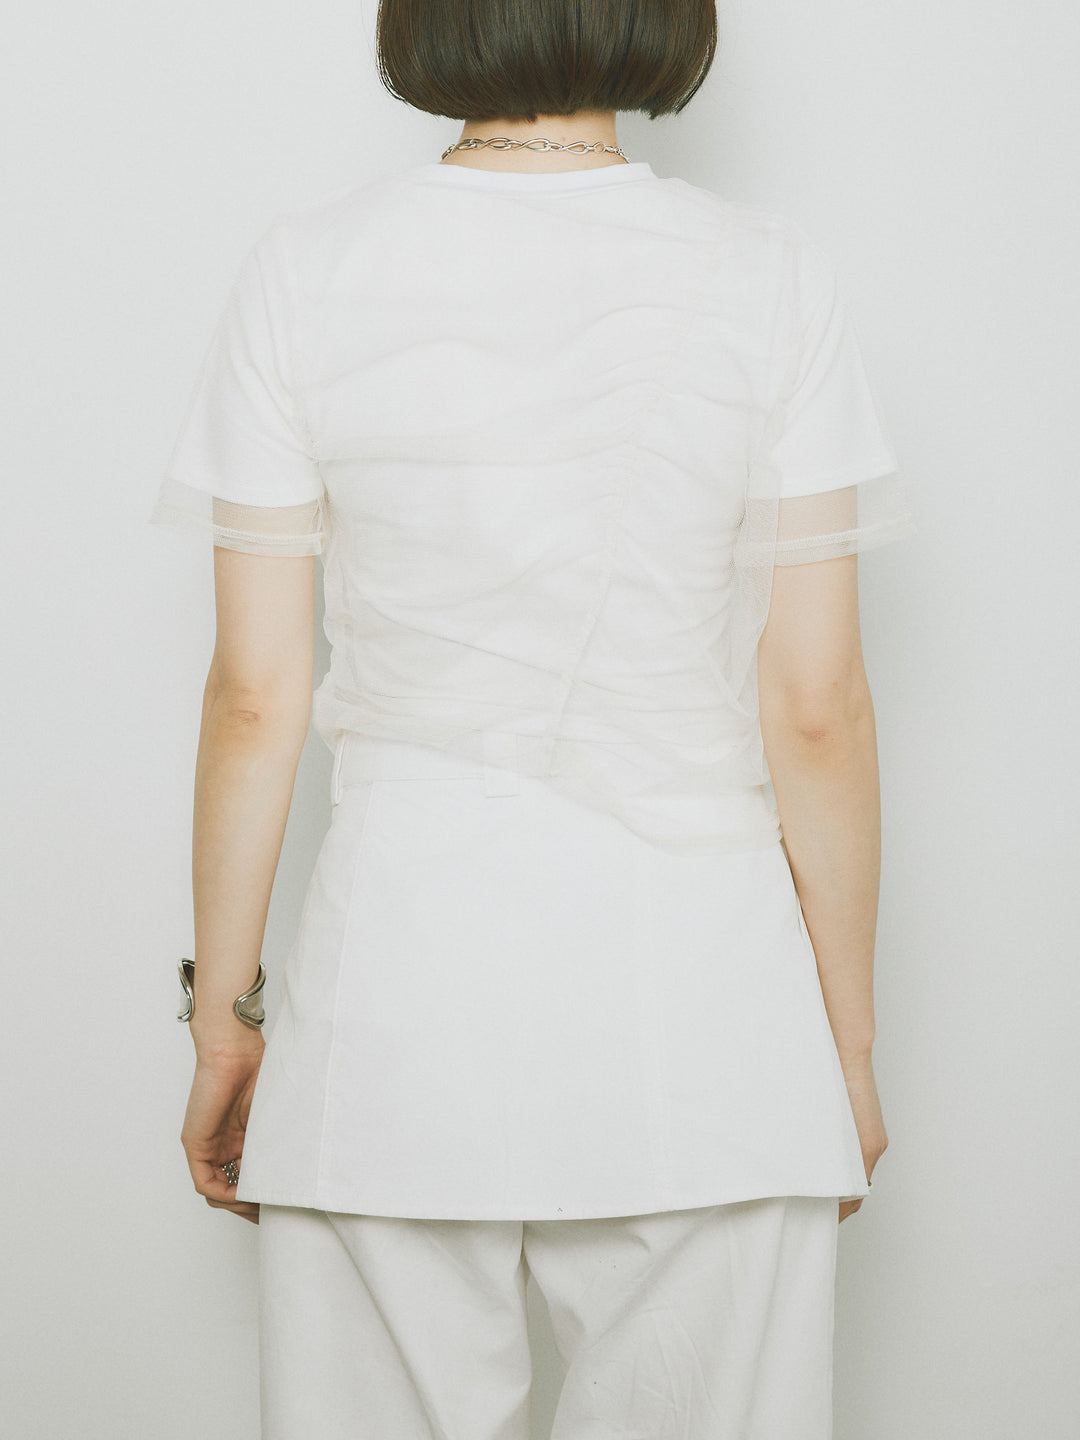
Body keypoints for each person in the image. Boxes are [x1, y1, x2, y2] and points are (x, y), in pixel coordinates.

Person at [151, 2, 916, 1435]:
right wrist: (847, 1054)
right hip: (709, 1023)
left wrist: (224, 1025)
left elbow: (256, 695)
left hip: (392, 1013)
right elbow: (816, 706)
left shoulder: (307, 271)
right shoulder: (769, 276)